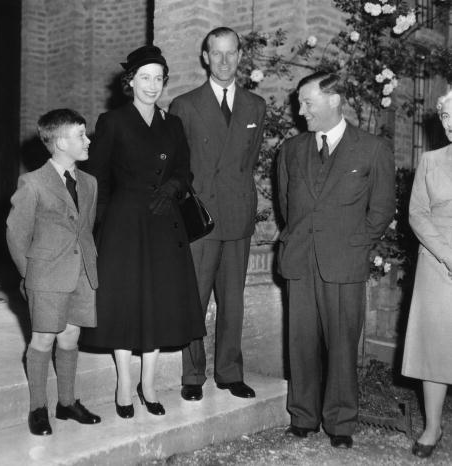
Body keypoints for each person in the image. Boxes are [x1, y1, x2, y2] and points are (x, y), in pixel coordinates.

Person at [80, 45, 206, 418]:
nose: (152, 86)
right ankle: (123, 383)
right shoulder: (113, 121)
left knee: (157, 303)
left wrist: (174, 187)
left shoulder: (174, 124)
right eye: (145, 78)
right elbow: (97, 178)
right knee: (125, 304)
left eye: (158, 78)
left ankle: (147, 384)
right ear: (130, 81)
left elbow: (185, 171)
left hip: (165, 223)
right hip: (125, 223)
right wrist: (97, 229)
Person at [277, 71, 395, 448]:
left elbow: (381, 209)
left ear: (333, 100)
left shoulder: (372, 148)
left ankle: (341, 422)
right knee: (300, 341)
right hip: (300, 261)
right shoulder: (291, 150)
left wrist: (355, 245)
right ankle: (303, 415)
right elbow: (285, 204)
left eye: (307, 102)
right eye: (300, 102)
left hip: (344, 263)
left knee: (342, 344)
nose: (301, 110)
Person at [168, 27, 266, 401]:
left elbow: (248, 162)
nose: (224, 61)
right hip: (201, 218)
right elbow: (178, 166)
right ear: (205, 57)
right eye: (216, 54)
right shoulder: (186, 104)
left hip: (238, 215)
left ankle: (229, 372)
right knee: (196, 297)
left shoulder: (255, 105)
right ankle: (192, 375)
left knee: (233, 301)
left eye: (231, 53)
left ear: (240, 56)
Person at [6, 109, 101, 436]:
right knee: (43, 339)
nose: (88, 140)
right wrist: (31, 275)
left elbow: (85, 229)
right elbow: (16, 234)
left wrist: (90, 266)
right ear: (61, 142)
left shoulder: (89, 182)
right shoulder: (32, 183)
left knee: (71, 336)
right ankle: (37, 408)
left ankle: (66, 402)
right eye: (81, 135)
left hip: (81, 274)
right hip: (46, 277)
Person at [401, 90, 452, 458]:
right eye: (446, 117)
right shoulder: (431, 160)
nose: (450, 124)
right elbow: (417, 212)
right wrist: (447, 255)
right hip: (436, 261)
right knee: (435, 346)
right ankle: (432, 426)